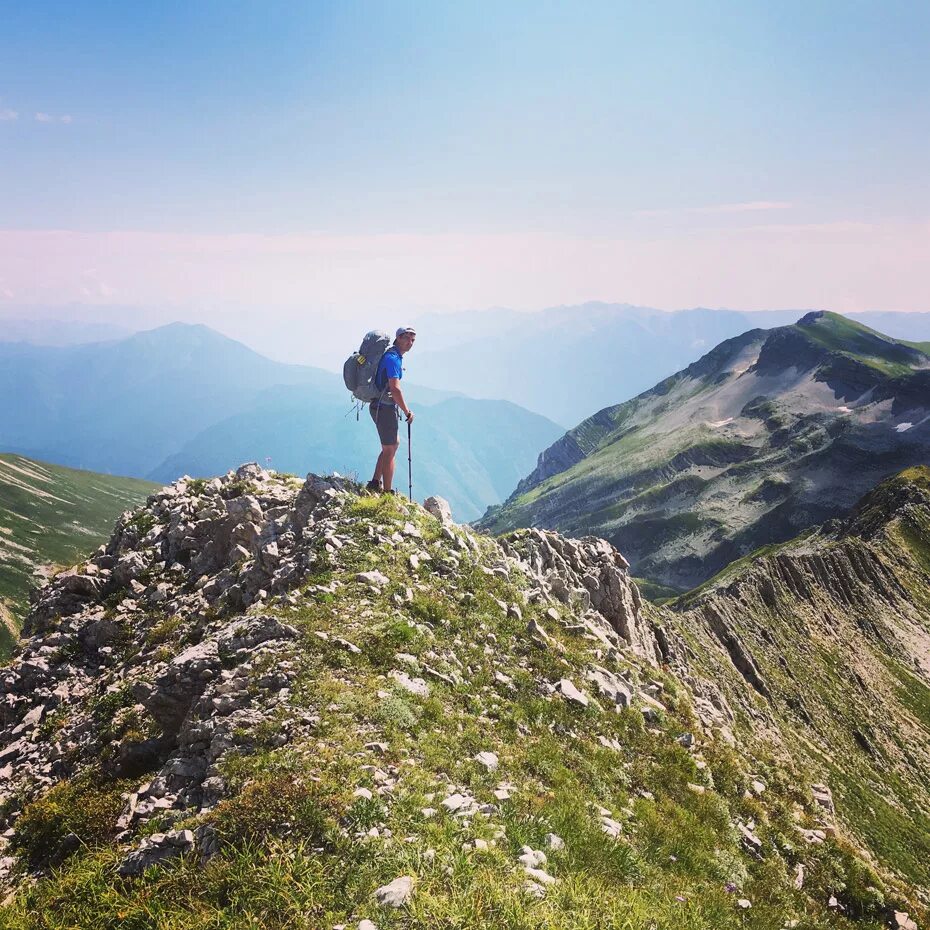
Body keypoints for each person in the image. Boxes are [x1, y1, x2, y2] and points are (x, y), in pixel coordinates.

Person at [367, 327, 416, 494]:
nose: (410, 343)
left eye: (413, 340)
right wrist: (407, 411)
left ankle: (375, 482)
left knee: (393, 445)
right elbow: (395, 389)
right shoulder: (393, 358)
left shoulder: (392, 355)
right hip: (385, 408)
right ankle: (387, 493)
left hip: (381, 406)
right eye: (407, 338)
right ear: (398, 338)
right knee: (389, 450)